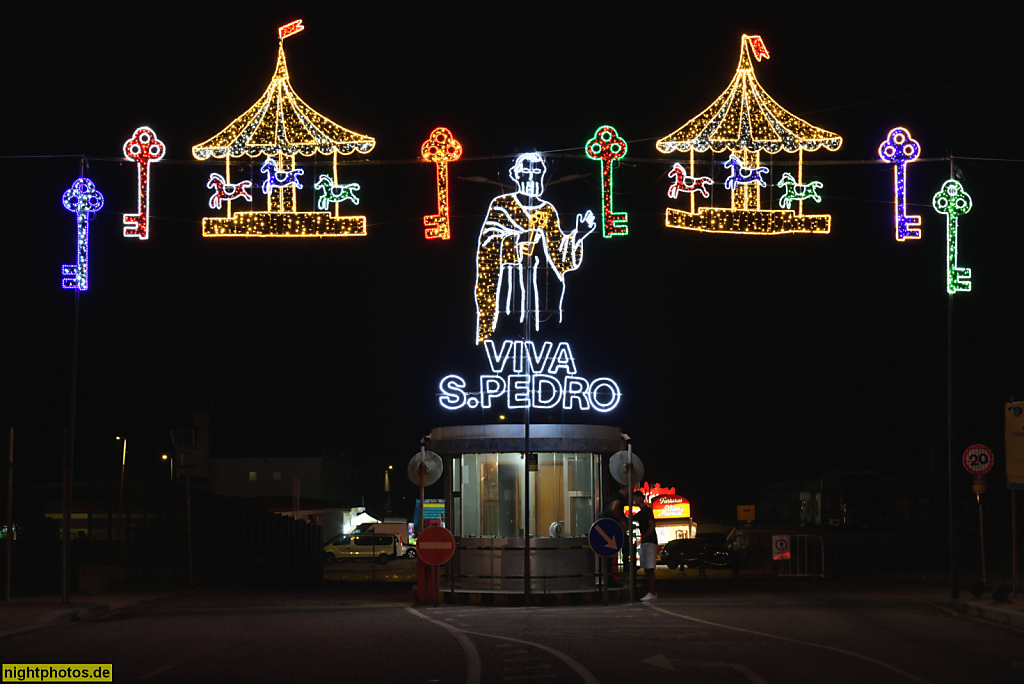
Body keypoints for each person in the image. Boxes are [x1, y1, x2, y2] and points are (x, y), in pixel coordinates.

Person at [474, 152, 596, 344]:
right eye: (526, 171)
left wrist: (578, 234)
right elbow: (488, 244)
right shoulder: (501, 205)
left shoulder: (547, 210)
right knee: (509, 332)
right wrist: (517, 241)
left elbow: (559, 257)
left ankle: (542, 343)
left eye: (537, 171)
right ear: (515, 175)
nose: (531, 176)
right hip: (510, 289)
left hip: (543, 291)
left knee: (542, 333)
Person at [633, 491, 657, 601]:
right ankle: (651, 592)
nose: (633, 500)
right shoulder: (642, 512)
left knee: (649, 568)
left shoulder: (647, 511)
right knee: (648, 568)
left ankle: (652, 592)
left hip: (650, 541)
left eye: (634, 498)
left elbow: (652, 525)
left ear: (640, 498)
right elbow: (631, 519)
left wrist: (644, 537)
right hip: (647, 541)